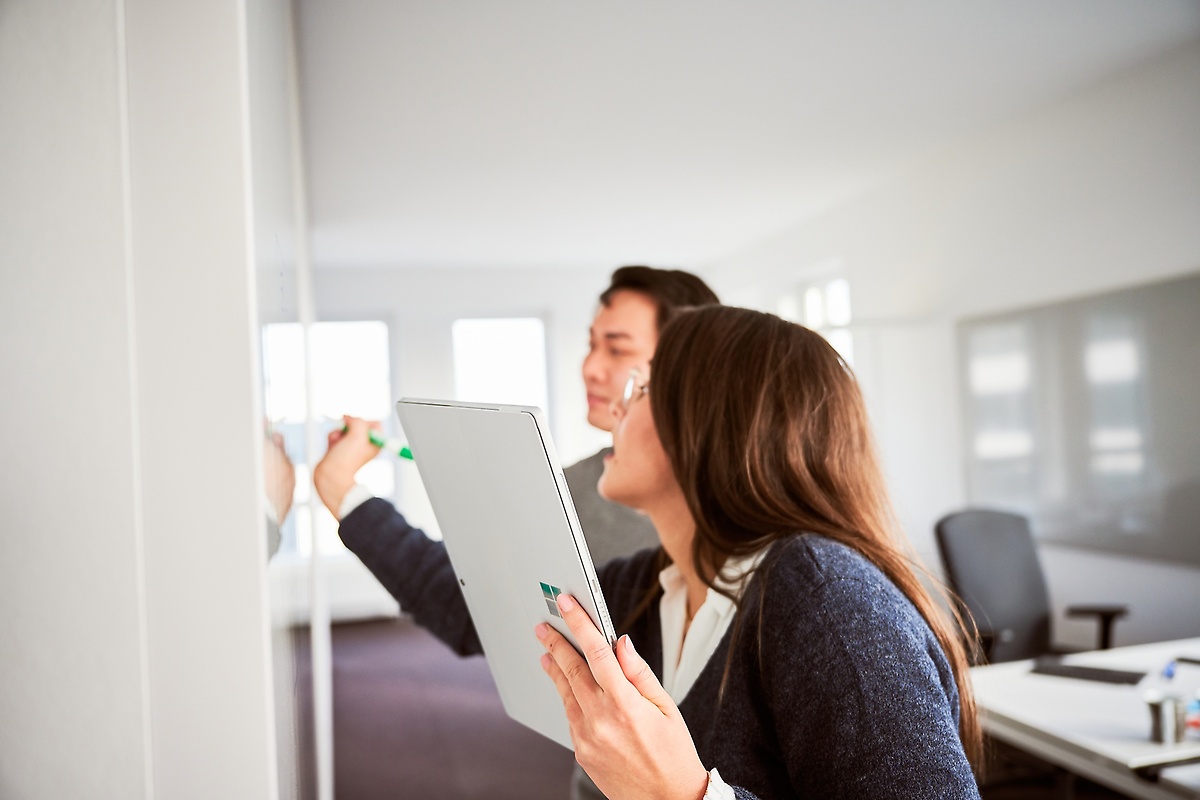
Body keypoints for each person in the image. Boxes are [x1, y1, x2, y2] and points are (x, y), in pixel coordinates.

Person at [533, 305, 982, 799]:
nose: (616, 408)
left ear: (712, 422)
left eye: (642, 389)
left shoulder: (833, 604)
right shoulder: (654, 584)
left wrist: (684, 795)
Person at [313, 266, 719, 800]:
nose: (591, 368)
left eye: (617, 349)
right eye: (591, 345)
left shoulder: (769, 548)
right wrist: (344, 493)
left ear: (688, 363)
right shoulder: (581, 486)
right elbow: (473, 604)